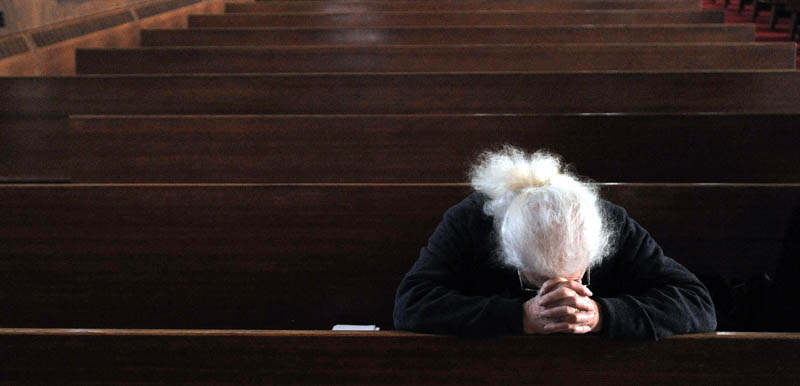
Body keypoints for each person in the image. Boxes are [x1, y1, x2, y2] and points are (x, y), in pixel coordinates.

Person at [393, 146, 716, 340]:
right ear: (509, 256)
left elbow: (697, 304)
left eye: (577, 279)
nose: (562, 292)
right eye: (539, 282)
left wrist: (601, 315)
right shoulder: (470, 221)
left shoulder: (608, 220)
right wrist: (521, 317)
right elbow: (412, 304)